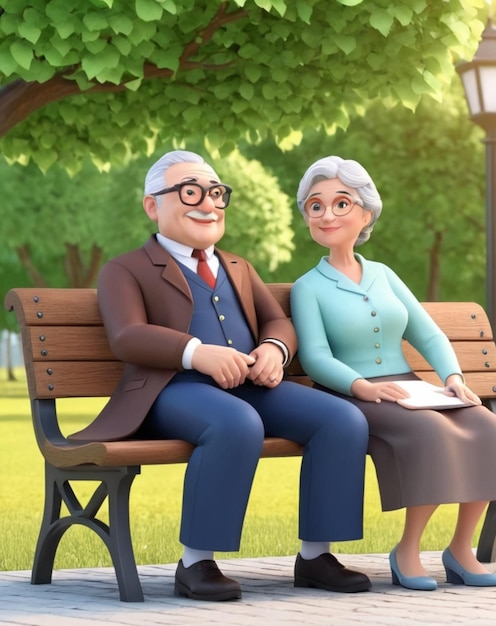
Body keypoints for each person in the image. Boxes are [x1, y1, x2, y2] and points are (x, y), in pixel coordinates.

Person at [70, 150, 372, 601]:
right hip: (171, 392)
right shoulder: (125, 269)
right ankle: (196, 563)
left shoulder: (237, 266)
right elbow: (127, 336)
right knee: (234, 423)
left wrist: (275, 348)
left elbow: (277, 321)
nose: (207, 203)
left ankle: (316, 556)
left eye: (215, 193)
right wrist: (194, 352)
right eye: (190, 191)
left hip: (249, 386)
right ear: (153, 205)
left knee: (341, 419)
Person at [290, 156, 496, 590]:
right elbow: (318, 358)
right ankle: (408, 550)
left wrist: (453, 379)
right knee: (432, 432)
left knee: (488, 427)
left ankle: (461, 549)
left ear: (365, 213)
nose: (326, 215)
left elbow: (429, 336)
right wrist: (363, 387)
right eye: (315, 206)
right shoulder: (309, 287)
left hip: (413, 387)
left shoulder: (383, 275)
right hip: (353, 395)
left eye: (341, 204)